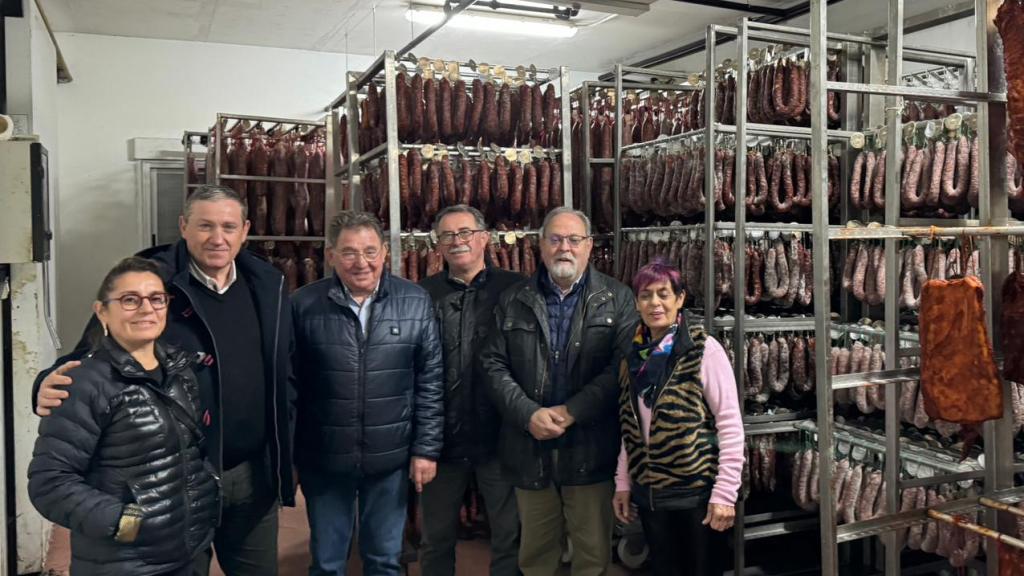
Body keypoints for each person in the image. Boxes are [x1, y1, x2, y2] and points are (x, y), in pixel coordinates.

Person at [33, 185, 294, 576]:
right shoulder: (152, 280)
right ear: (183, 227)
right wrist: (43, 381)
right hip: (178, 485)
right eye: (205, 225)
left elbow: (285, 371)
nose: (217, 238)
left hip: (252, 475)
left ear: (245, 230)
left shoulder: (267, 283)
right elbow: (88, 351)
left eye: (228, 226)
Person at [28, 257, 219, 576]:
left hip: (189, 551)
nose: (147, 308)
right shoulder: (84, 384)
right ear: (102, 311)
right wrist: (125, 523)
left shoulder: (179, 369)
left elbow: (190, 452)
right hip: (126, 563)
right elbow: (50, 484)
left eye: (156, 298)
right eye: (130, 300)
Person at [480, 207, 637, 576]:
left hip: (590, 450)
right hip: (528, 450)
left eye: (573, 240)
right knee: (535, 558)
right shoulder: (514, 298)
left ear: (589, 246)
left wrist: (572, 411)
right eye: (555, 239)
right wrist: (526, 413)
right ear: (540, 245)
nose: (563, 248)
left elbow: (623, 367)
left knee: (591, 557)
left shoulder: (618, 298)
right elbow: (492, 363)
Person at [291, 210, 444, 576]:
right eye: (349, 252)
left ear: (385, 253)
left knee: (384, 560)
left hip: (389, 459)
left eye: (370, 251)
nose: (362, 262)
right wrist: (292, 456)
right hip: (324, 458)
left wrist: (426, 449)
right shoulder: (302, 305)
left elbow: (430, 380)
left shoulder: (414, 301)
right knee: (327, 562)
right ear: (330, 256)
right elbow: (290, 385)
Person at [612, 260, 744, 576]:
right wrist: (623, 481)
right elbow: (630, 426)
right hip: (650, 496)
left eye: (663, 294)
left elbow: (730, 425)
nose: (654, 303)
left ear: (680, 299)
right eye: (646, 295)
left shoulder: (702, 349)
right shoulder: (633, 355)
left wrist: (725, 494)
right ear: (636, 301)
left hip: (694, 495)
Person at [418, 205, 524, 576]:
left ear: (484, 238)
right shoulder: (422, 295)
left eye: (465, 233)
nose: (457, 242)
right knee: (435, 538)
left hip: (501, 438)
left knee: (510, 535)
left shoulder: (515, 289)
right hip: (441, 441)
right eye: (447, 235)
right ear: (438, 245)